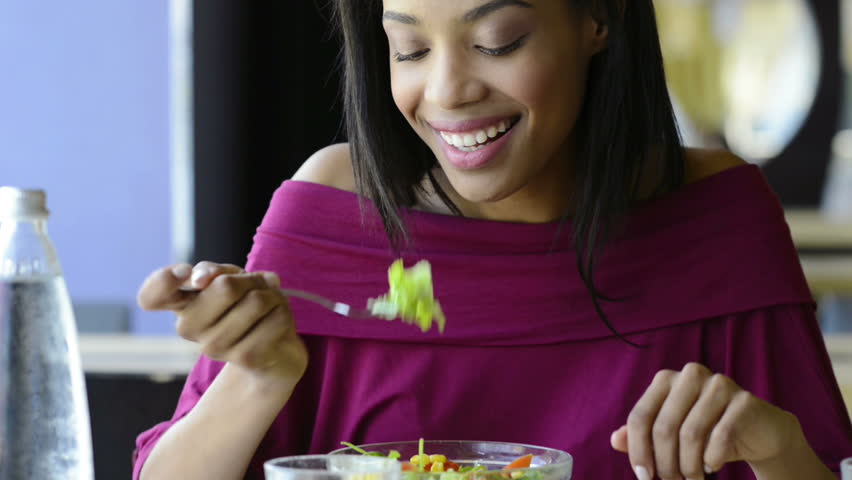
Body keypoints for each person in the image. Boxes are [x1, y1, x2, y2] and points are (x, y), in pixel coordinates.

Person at [132, 0, 852, 479]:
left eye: (495, 42)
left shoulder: (714, 219)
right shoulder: (332, 214)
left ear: (595, 19)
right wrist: (256, 381)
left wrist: (776, 447)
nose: (447, 92)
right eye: (409, 49)